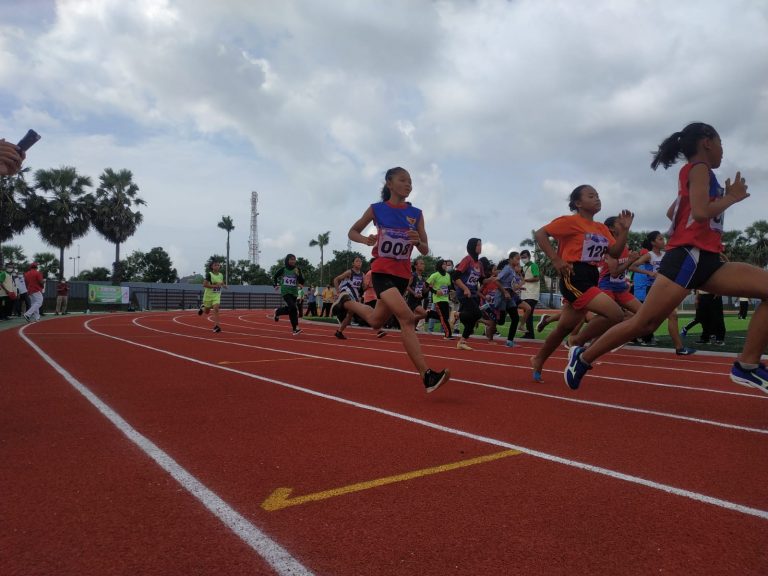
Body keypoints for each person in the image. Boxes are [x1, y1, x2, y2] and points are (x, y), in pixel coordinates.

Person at [565, 122, 768, 393]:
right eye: (721, 143)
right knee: (644, 323)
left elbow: (675, 212)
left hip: (706, 259)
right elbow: (699, 211)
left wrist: (708, 231)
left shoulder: (699, 174)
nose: (722, 151)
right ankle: (583, 356)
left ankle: (747, 365)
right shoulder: (699, 169)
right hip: (686, 257)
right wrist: (731, 197)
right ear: (707, 142)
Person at [330, 166, 449, 393]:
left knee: (376, 321)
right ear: (389, 183)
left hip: (403, 275)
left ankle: (345, 302)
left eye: (411, 182)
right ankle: (427, 375)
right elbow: (352, 231)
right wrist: (366, 240)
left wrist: (417, 242)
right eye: (403, 180)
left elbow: (425, 249)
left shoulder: (416, 214)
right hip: (382, 272)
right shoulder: (377, 210)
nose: (408, 185)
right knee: (406, 318)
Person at [530, 185, 633, 382]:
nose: (597, 199)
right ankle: (577, 342)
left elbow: (615, 253)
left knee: (564, 327)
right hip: (573, 275)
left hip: (591, 274)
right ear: (578, 203)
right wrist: (556, 259)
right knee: (615, 314)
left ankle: (538, 358)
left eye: (598, 195)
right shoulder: (569, 222)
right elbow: (540, 234)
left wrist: (624, 232)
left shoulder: (602, 228)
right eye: (591, 196)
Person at [452, 238, 485, 351]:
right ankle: (457, 314)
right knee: (477, 313)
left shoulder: (479, 264)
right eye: (478, 245)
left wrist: (494, 279)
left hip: (473, 294)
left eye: (481, 245)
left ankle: (462, 342)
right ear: (472, 247)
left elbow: (482, 280)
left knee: (473, 319)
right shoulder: (467, 260)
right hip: (464, 293)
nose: (480, 247)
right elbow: (455, 276)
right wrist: (465, 288)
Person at [333, 256, 365, 339]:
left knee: (350, 315)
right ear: (353, 263)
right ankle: (338, 307)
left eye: (360, 261)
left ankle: (339, 332)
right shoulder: (349, 272)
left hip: (355, 296)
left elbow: (363, 287)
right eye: (357, 261)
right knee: (356, 308)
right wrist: (337, 291)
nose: (359, 263)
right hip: (345, 293)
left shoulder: (362, 275)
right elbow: (336, 279)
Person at [272, 254, 305, 335]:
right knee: (293, 308)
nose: (293, 261)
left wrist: (300, 281)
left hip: (294, 292)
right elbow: (275, 276)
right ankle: (296, 328)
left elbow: (302, 280)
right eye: (291, 259)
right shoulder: (283, 269)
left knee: (291, 309)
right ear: (287, 260)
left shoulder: (297, 269)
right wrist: (275, 285)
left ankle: (278, 312)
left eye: (294, 259)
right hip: (285, 291)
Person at [426, 259, 454, 339]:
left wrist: (449, 291)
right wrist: (435, 291)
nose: (445, 266)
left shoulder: (448, 275)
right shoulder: (435, 275)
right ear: (439, 265)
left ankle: (429, 313)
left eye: (446, 264)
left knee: (445, 317)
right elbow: (427, 284)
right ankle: (448, 334)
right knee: (444, 317)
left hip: (446, 299)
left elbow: (449, 286)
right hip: (438, 299)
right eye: (443, 264)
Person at [198, 261, 227, 333]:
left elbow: (221, 281)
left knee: (216, 308)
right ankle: (202, 307)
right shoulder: (209, 275)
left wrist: (224, 285)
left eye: (218, 265)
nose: (217, 266)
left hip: (216, 296)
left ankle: (216, 326)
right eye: (215, 265)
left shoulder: (221, 275)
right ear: (212, 267)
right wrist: (214, 285)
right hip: (208, 296)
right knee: (207, 312)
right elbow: (204, 285)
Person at [519, 250, 541, 339]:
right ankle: (529, 333)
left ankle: (530, 334)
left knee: (529, 314)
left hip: (532, 294)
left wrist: (526, 280)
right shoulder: (524, 267)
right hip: (525, 293)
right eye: (522, 257)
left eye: (524, 256)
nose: (523, 259)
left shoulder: (533, 265)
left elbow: (537, 278)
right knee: (527, 314)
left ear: (529, 256)